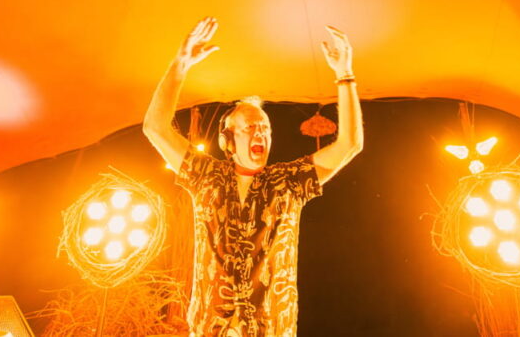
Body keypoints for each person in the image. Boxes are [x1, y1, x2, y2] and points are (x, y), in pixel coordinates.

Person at [144, 17, 363, 336]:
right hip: (211, 328)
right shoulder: (207, 175)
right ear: (228, 140)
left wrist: (345, 75)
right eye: (250, 127)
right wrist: (180, 64)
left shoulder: (288, 182)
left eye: (265, 128)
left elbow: (350, 144)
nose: (260, 133)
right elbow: (155, 127)